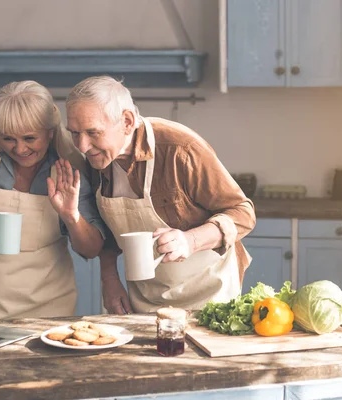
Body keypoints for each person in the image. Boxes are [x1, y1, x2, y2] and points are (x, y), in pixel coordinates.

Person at [65, 76, 256, 314]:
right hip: (146, 301)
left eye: (93, 133)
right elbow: (107, 233)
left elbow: (243, 213)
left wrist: (190, 240)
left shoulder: (180, 149)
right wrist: (110, 280)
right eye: (74, 133)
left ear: (126, 121)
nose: (82, 146)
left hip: (209, 296)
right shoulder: (99, 160)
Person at [0, 80, 106, 320]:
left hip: (48, 310)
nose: (19, 149)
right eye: (9, 139)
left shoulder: (68, 172)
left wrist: (71, 216)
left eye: (29, 138)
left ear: (49, 133)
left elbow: (91, 249)